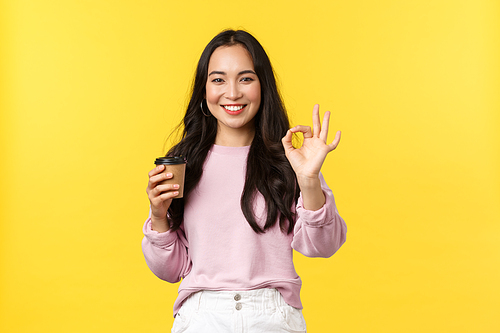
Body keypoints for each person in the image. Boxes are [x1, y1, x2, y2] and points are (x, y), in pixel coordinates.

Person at [142, 29, 347, 333]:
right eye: (219, 79)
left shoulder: (289, 158)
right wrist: (159, 217)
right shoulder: (185, 161)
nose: (233, 92)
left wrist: (309, 181)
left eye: (246, 78)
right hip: (202, 317)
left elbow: (324, 246)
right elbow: (169, 270)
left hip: (273, 317)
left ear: (263, 86)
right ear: (204, 90)